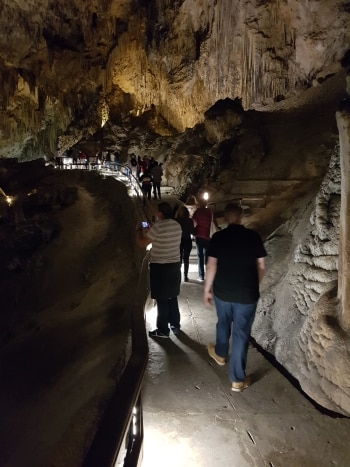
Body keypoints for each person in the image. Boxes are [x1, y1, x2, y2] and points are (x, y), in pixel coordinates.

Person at [204, 203, 267, 392]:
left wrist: (207, 289)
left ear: (226, 218)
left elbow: (212, 265)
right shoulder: (253, 236)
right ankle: (237, 380)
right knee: (241, 334)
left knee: (223, 321)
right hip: (247, 294)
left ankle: (221, 353)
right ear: (241, 217)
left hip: (223, 292)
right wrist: (254, 285)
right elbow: (261, 266)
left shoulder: (218, 237)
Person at [136, 202, 182, 338]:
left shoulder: (157, 227)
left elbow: (142, 243)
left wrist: (139, 230)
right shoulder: (176, 225)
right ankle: (175, 325)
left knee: (162, 299)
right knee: (172, 296)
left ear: (160, 213)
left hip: (160, 267)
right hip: (174, 265)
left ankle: (163, 330)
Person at [192, 198, 218, 281]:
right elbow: (215, 222)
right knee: (207, 256)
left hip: (199, 236)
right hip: (208, 236)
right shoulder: (210, 212)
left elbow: (194, 223)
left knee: (200, 256)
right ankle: (208, 275)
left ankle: (201, 276)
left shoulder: (197, 212)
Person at [175, 205, 195, 282]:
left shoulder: (176, 220)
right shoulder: (189, 221)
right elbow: (192, 232)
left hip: (179, 241)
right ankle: (185, 276)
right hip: (187, 240)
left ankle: (178, 276)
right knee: (186, 259)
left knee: (179, 258)